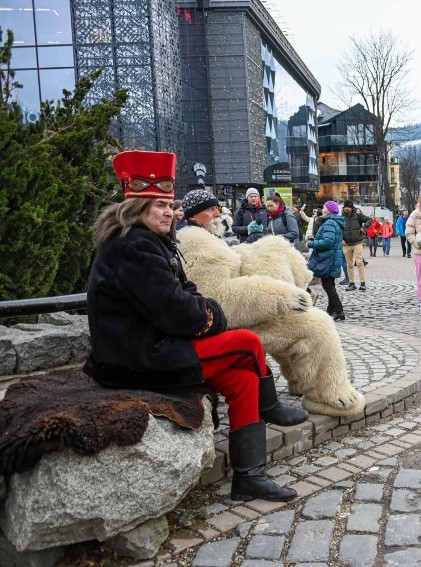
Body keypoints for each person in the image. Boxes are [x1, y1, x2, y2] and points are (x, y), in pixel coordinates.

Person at [86, 151, 308, 503]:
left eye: (168, 204)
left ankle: (249, 478)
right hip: (137, 360)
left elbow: (186, 293)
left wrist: (205, 310)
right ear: (136, 207)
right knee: (248, 343)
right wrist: (215, 314)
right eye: (156, 205)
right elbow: (178, 311)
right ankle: (270, 408)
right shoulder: (132, 247)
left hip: (156, 346)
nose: (166, 212)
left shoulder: (152, 242)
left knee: (242, 378)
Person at [307, 201, 346, 321]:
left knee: (328, 285)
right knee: (330, 285)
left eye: (324, 207)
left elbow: (328, 242)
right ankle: (331, 310)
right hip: (331, 258)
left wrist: (311, 243)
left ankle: (339, 311)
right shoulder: (333, 222)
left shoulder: (329, 222)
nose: (322, 209)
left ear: (329, 210)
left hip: (328, 259)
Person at [341, 200, 370, 291]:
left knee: (359, 262)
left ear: (351, 207)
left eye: (348, 207)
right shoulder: (341, 218)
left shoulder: (358, 215)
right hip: (346, 244)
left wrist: (364, 227)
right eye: (345, 207)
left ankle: (363, 283)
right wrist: (341, 239)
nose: (347, 208)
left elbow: (370, 220)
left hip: (357, 242)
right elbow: (338, 229)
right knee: (349, 264)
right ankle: (351, 283)